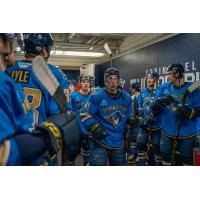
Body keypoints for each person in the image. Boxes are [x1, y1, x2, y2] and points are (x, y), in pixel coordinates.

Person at [0, 33, 78, 166]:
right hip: (39, 149)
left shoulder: (8, 70)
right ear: (44, 50)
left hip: (13, 140)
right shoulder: (54, 74)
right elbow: (61, 116)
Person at [80, 68, 133, 166]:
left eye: (115, 78)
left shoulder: (127, 98)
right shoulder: (96, 96)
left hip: (118, 142)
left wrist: (132, 119)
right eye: (109, 78)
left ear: (119, 80)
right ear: (105, 81)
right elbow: (83, 113)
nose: (113, 81)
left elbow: (129, 114)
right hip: (99, 141)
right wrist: (93, 126)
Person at [152, 63, 200, 165]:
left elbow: (198, 109)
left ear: (177, 74)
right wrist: (158, 103)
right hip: (167, 132)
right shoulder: (163, 87)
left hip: (187, 134)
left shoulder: (192, 88)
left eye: (170, 74)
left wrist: (190, 111)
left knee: (187, 161)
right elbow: (153, 108)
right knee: (166, 160)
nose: (167, 76)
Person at [136, 72, 162, 166]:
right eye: (147, 78)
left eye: (151, 78)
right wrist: (141, 118)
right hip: (145, 124)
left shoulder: (160, 91)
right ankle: (142, 165)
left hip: (157, 125)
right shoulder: (143, 92)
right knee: (140, 143)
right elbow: (140, 106)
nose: (148, 80)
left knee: (156, 146)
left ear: (156, 80)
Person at [68, 74, 91, 165]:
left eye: (88, 82)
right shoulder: (73, 95)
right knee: (71, 156)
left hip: (89, 130)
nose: (86, 84)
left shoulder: (93, 97)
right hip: (76, 131)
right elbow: (68, 112)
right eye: (83, 82)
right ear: (80, 84)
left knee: (87, 157)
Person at [127, 82, 141, 165]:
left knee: (138, 139)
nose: (130, 90)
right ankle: (133, 154)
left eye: (131, 88)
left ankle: (139, 155)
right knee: (132, 138)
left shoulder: (140, 96)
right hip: (131, 121)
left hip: (138, 122)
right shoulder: (131, 97)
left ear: (134, 88)